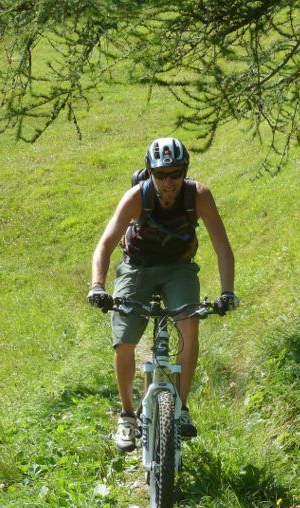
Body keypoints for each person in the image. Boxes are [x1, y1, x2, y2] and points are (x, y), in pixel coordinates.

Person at [87, 137, 238, 452]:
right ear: (149, 172)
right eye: (161, 174)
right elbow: (105, 243)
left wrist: (227, 292)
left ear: (185, 171)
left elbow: (222, 246)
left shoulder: (198, 196)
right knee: (125, 340)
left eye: (175, 173)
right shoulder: (136, 197)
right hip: (138, 268)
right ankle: (127, 415)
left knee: (189, 326)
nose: (168, 181)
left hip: (178, 268)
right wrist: (98, 285)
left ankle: (180, 409)